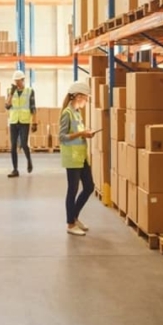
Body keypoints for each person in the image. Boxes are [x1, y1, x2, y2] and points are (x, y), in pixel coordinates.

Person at [59, 81, 96, 236]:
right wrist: (82, 134)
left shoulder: (77, 113)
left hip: (81, 157)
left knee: (89, 186)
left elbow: (78, 132)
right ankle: (70, 224)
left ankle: (74, 217)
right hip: (72, 158)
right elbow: (62, 137)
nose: (86, 101)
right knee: (72, 190)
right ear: (78, 96)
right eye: (86, 98)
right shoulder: (67, 113)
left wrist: (86, 132)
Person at [6, 70, 37, 178]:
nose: (16, 83)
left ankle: (29, 160)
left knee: (23, 143)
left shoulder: (30, 91)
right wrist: (11, 93)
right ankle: (15, 170)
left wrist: (35, 122)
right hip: (14, 121)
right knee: (13, 145)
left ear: (23, 80)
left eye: (18, 81)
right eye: (15, 81)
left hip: (24, 121)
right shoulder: (10, 90)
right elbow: (7, 106)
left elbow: (33, 108)